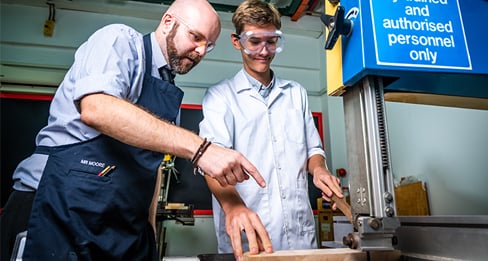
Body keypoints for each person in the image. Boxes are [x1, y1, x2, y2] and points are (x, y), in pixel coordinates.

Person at [0, 0, 267, 260]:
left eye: (208, 45)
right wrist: (201, 149)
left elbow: (151, 168)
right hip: (55, 209)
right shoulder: (119, 40)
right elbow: (97, 108)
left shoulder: (168, 92)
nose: (200, 51)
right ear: (168, 22)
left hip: (120, 223)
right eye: (195, 37)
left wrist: (147, 227)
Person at [198, 0, 344, 260]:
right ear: (237, 41)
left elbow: (313, 149)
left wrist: (319, 169)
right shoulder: (220, 97)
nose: (264, 51)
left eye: (272, 41)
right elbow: (211, 163)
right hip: (248, 239)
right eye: (254, 41)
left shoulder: (296, 93)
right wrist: (233, 207)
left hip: (301, 239)